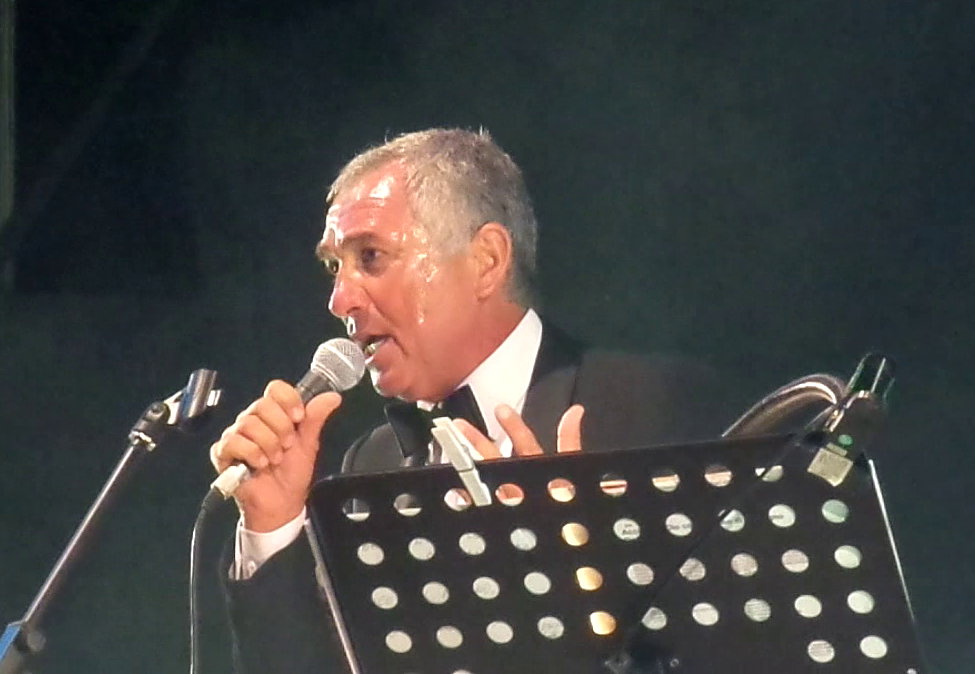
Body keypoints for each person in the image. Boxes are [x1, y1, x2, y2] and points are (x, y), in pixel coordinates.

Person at [210, 128, 729, 673]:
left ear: (486, 260)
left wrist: (572, 564)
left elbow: (735, 643)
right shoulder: (370, 464)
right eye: (334, 267)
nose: (340, 300)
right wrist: (274, 524)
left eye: (371, 256)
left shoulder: (650, 404)